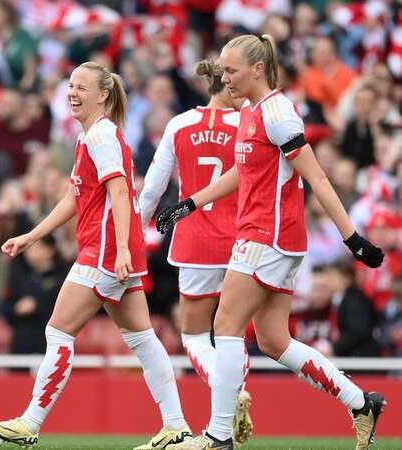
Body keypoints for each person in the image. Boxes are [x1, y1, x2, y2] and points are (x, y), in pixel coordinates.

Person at [156, 35, 386, 450]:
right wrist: (190, 202)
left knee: (225, 326)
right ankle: (361, 403)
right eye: (222, 70)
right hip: (269, 237)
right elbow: (243, 172)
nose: (223, 78)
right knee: (273, 340)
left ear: (257, 69)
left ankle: (218, 436)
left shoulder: (278, 113)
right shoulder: (251, 110)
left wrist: (352, 239)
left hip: (269, 237)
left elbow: (316, 177)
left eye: (231, 70)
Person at [0, 61, 192, 450]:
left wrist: (124, 249)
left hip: (105, 252)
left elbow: (118, 193)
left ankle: (30, 423)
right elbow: (74, 198)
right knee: (144, 340)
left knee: (58, 331)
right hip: (112, 252)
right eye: (70, 86)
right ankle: (176, 426)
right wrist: (32, 235)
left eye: (82, 87)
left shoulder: (101, 136)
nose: (72, 93)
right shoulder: (91, 137)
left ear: (103, 95)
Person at [138, 60, 253, 448]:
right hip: (243, 239)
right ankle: (233, 391)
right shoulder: (249, 125)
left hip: (196, 241)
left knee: (193, 334)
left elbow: (153, 189)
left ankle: (230, 394)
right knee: (234, 334)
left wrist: (134, 233)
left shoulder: (178, 124)